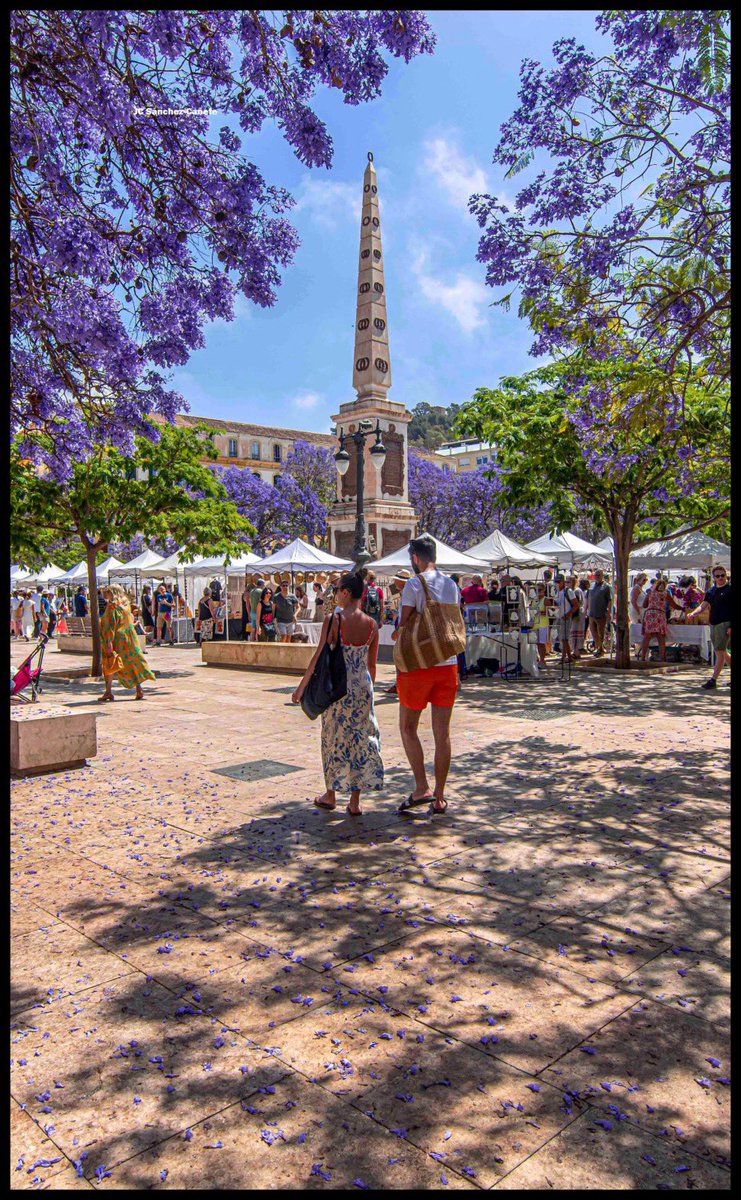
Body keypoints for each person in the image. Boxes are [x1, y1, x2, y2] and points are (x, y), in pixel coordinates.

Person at [292, 571, 382, 816]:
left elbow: (320, 654)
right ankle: (354, 801)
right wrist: (368, 692)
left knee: (333, 739)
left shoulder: (334, 620)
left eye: (336, 589)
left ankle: (330, 794)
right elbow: (372, 665)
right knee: (359, 740)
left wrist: (302, 686)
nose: (334, 594)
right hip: (362, 687)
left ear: (346, 592)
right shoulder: (372, 625)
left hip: (337, 689)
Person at [394, 535, 460, 816]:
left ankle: (421, 787)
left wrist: (397, 633)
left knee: (408, 727)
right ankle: (441, 796)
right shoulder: (452, 585)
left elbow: (406, 623)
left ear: (415, 558)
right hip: (448, 663)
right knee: (442, 732)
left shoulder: (414, 583)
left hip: (420, 664)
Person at [98, 584, 155, 702]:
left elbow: (110, 625)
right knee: (132, 662)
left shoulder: (112, 606)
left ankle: (108, 692)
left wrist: (108, 641)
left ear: (112, 592)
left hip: (116, 639)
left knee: (109, 663)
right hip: (129, 637)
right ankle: (139, 688)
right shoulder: (125, 604)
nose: (106, 595)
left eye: (107, 592)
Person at [688, 566, 731, 689]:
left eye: (723, 575)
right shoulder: (711, 591)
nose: (721, 578)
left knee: (719, 652)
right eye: (718, 576)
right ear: (714, 578)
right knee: (723, 652)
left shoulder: (729, 590)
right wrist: (693, 613)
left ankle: (713, 680)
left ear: (726, 575)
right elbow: (703, 605)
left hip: (725, 623)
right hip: (713, 623)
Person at [638, 577, 681, 663]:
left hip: (650, 614)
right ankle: (663, 659)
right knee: (661, 638)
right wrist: (683, 608)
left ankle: (643, 657)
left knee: (647, 637)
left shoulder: (650, 593)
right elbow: (674, 605)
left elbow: (644, 605)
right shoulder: (666, 594)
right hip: (660, 615)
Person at [587, 569, 612, 656]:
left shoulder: (607, 586)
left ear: (602, 576)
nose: (597, 576)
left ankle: (601, 649)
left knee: (600, 632)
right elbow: (588, 598)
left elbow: (610, 600)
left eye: (598, 575)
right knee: (593, 631)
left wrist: (609, 612)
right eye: (596, 575)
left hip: (601, 613)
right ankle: (598, 647)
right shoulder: (592, 585)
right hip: (591, 613)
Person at [554, 574, 578, 663]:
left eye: (558, 582)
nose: (557, 584)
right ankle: (565, 657)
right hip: (559, 617)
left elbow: (576, 605)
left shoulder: (568, 591)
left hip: (566, 617)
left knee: (565, 638)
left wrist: (568, 614)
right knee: (562, 638)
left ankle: (567, 657)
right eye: (555, 582)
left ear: (563, 582)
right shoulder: (556, 593)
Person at [567, 574, 586, 657]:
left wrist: (576, 614)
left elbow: (577, 603)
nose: (567, 583)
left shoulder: (577, 591)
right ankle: (574, 651)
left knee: (576, 633)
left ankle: (576, 651)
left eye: (568, 582)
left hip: (577, 613)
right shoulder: (569, 591)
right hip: (573, 613)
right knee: (573, 633)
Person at [532, 582, 550, 665]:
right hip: (535, 624)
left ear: (544, 590)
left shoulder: (546, 600)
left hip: (543, 624)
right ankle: (538, 658)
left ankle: (542, 659)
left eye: (540, 590)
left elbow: (549, 612)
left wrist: (539, 612)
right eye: (536, 590)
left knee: (541, 643)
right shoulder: (534, 600)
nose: (538, 591)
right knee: (536, 643)